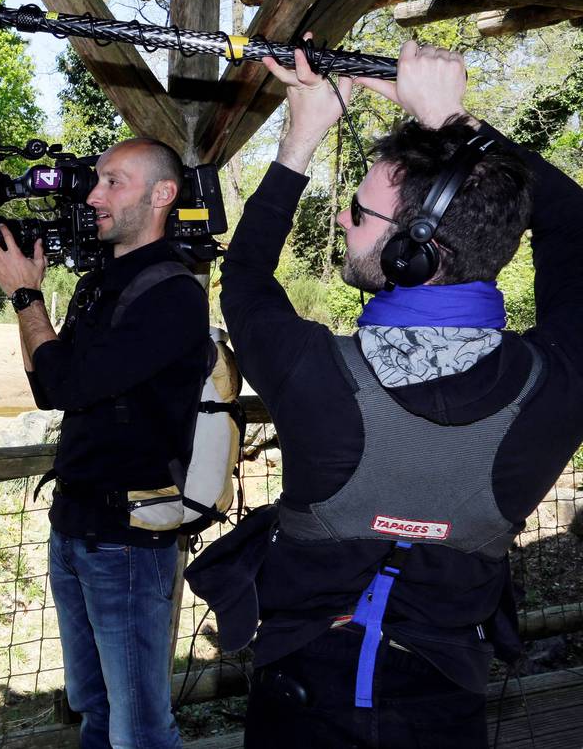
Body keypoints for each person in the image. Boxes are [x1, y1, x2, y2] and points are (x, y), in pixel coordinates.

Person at [206, 40, 583, 746]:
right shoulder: (555, 385)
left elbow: (246, 279)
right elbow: (573, 224)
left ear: (415, 250)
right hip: (445, 706)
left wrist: (300, 139)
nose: (345, 219)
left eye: (358, 211)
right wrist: (453, 121)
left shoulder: (314, 371)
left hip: (301, 704)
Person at [0, 138, 210, 749]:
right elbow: (50, 389)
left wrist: (26, 298)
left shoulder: (172, 293)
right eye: (97, 180)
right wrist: (28, 303)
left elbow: (70, 381)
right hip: (74, 526)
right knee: (95, 709)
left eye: (114, 183)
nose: (94, 195)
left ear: (162, 196)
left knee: (141, 728)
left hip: (127, 540)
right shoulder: (99, 284)